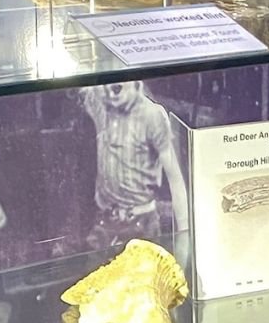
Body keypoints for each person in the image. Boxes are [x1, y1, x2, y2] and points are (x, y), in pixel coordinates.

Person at [78, 80, 189, 251]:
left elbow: (175, 178)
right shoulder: (102, 105)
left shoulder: (152, 116)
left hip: (142, 224)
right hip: (106, 222)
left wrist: (184, 236)